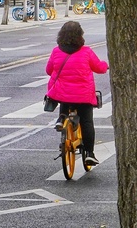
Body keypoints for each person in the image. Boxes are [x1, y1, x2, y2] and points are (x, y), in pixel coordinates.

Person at [46, 20, 109, 168]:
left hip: (61, 93)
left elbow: (49, 70)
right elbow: (99, 68)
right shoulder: (86, 51)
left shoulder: (56, 51)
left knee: (64, 100)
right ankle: (89, 154)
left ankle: (61, 119)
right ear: (80, 35)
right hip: (83, 95)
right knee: (86, 122)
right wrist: (106, 65)